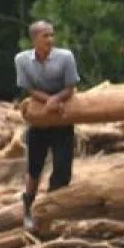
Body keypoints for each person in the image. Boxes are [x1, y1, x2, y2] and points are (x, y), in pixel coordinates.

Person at [15, 21, 79, 232]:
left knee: (62, 168)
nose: (50, 40)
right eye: (45, 36)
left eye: (52, 35)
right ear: (34, 39)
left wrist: (57, 99)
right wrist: (48, 100)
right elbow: (28, 88)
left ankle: (54, 210)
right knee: (34, 167)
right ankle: (28, 206)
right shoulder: (22, 60)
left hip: (62, 120)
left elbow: (70, 87)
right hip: (40, 120)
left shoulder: (65, 57)